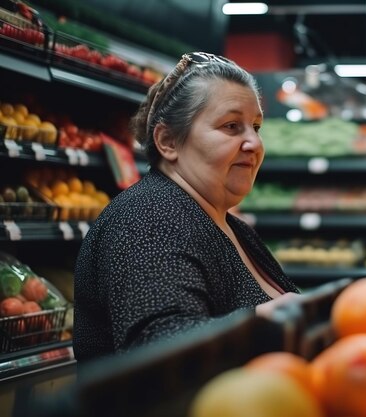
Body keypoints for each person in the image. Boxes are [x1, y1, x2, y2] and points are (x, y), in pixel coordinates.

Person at [73, 52, 301, 363]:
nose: (255, 144)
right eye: (232, 126)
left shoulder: (228, 224)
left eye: (256, 127)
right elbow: (160, 348)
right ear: (168, 141)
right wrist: (259, 323)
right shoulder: (148, 218)